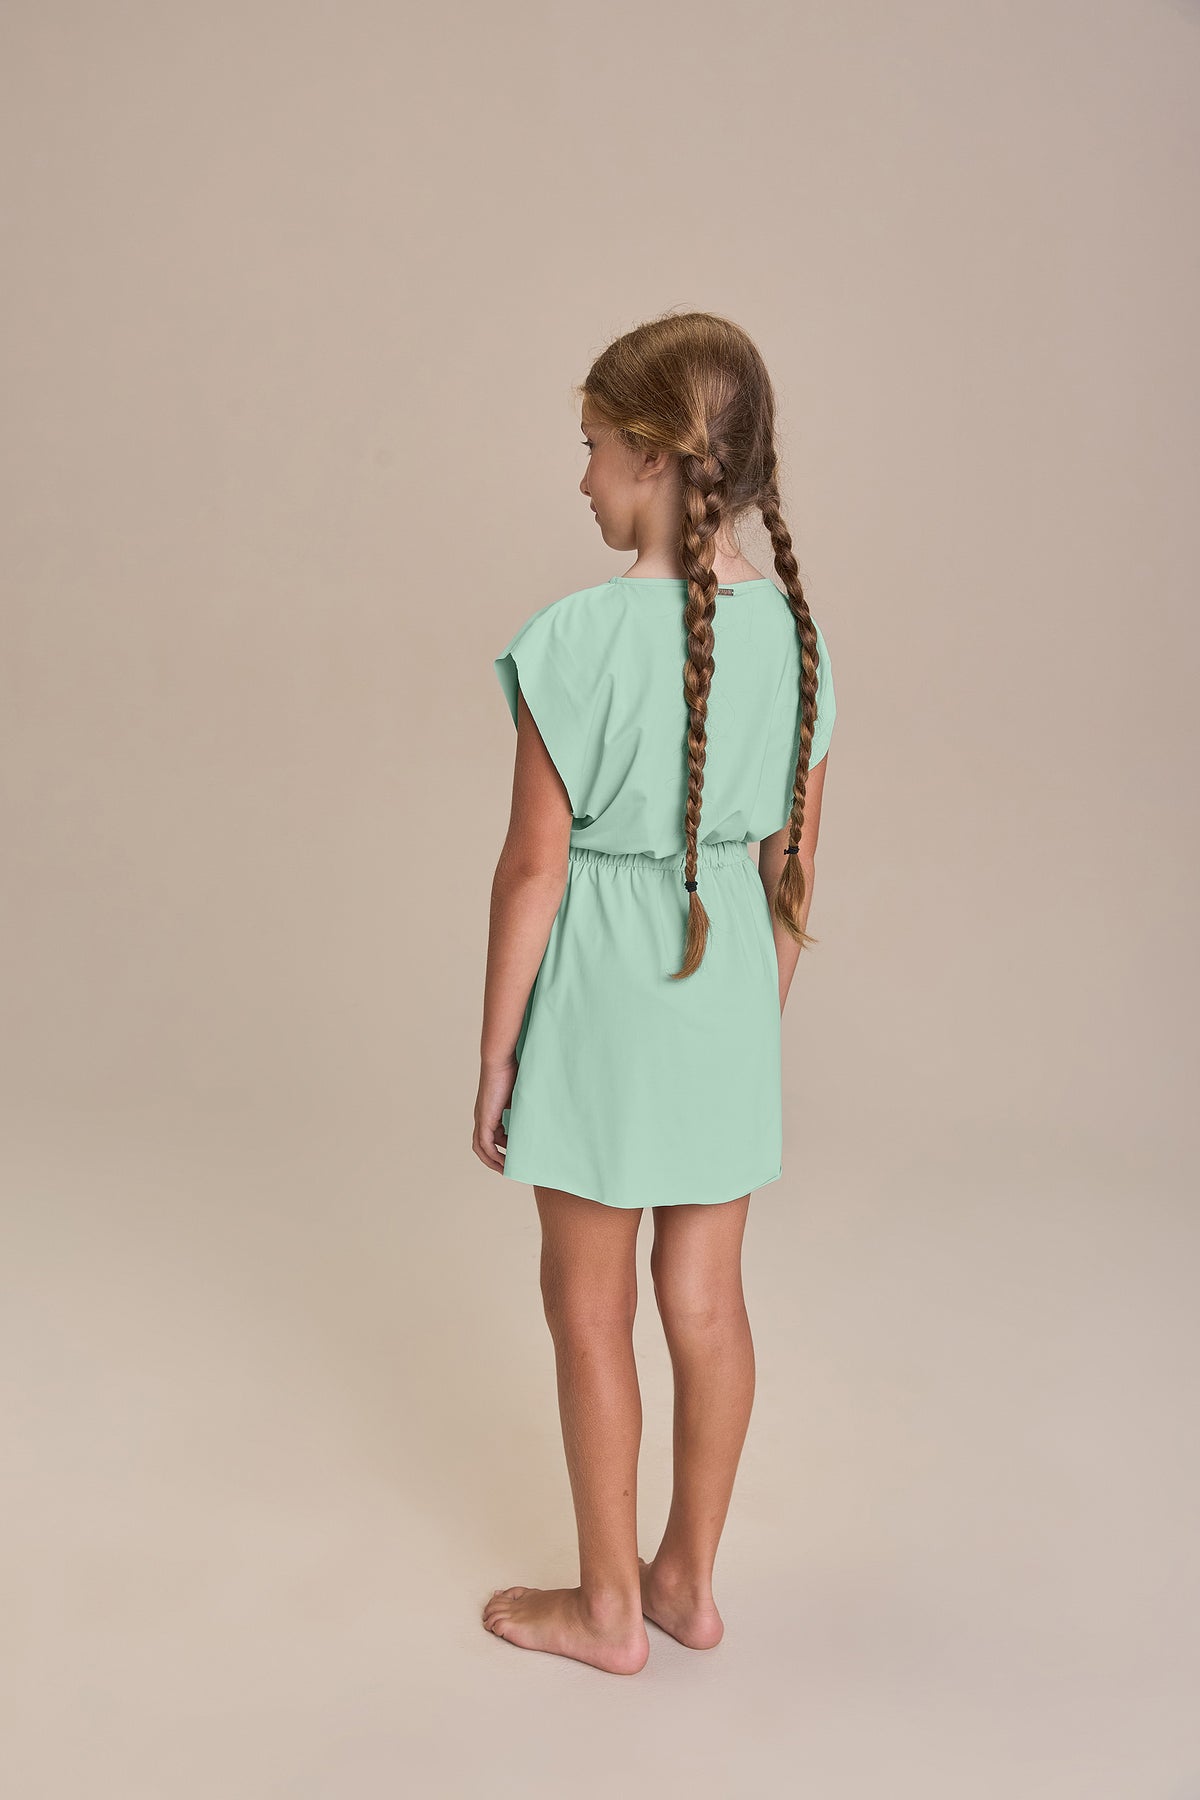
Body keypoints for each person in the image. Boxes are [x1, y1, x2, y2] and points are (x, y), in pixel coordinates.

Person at [472, 310, 837, 1675]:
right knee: (706, 1299)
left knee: (589, 1309)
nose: (579, 478)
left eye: (589, 446)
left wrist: (498, 1055)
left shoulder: (572, 639)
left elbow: (531, 870)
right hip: (723, 993)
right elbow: (794, 871)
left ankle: (609, 1607)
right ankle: (688, 1580)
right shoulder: (798, 642)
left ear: (649, 454)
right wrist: (748, 1021)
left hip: (601, 1006)